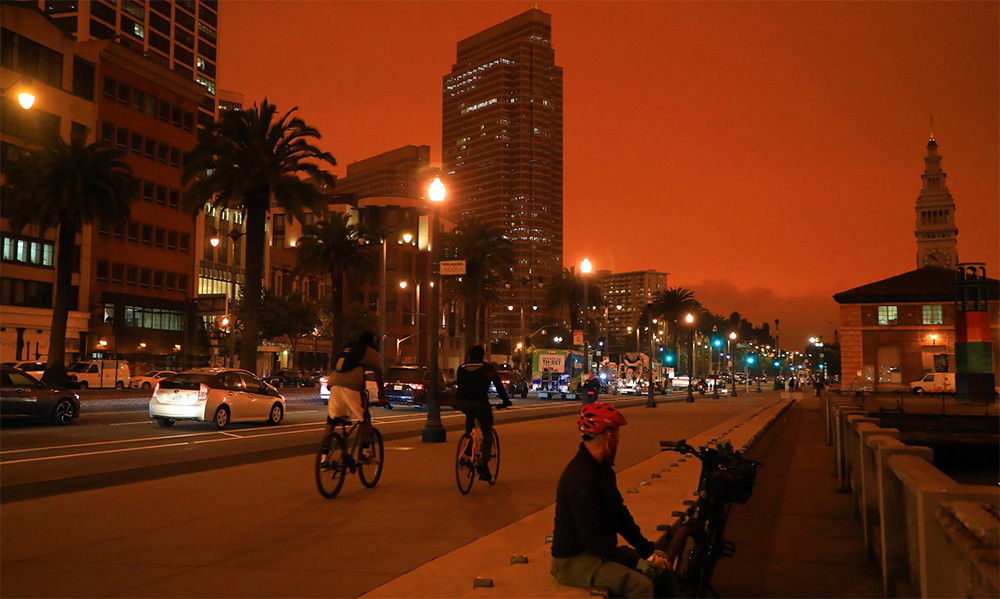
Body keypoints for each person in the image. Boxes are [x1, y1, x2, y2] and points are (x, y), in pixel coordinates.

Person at [551, 403, 674, 598]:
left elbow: (620, 515)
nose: (618, 438)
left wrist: (648, 549)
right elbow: (591, 538)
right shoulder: (579, 478)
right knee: (640, 586)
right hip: (573, 560)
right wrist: (637, 563)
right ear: (608, 435)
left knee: (662, 570)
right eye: (616, 433)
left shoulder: (603, 470)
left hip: (596, 551)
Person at [455, 345, 511, 480]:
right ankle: (483, 464)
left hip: (464, 403)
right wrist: (505, 401)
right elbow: (498, 386)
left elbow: (460, 385)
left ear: (469, 355)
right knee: (487, 433)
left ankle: (468, 445)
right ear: (483, 355)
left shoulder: (461, 368)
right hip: (481, 403)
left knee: (470, 417)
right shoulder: (487, 368)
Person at [325, 331, 384, 441]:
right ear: (372, 342)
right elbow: (379, 376)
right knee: (364, 418)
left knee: (332, 419)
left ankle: (324, 454)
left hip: (333, 386)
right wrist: (382, 397)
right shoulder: (369, 352)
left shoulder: (347, 350)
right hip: (352, 387)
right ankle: (366, 452)